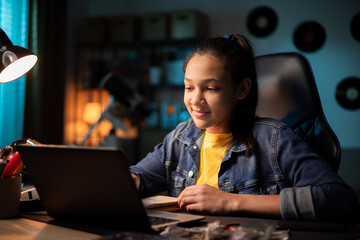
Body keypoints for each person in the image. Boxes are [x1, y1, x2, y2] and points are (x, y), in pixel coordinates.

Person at [130, 34, 359, 221]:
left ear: (242, 89)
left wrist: (230, 201)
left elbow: (339, 198)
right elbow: (139, 176)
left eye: (210, 89)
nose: (195, 100)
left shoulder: (274, 140)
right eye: (189, 88)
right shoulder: (180, 139)